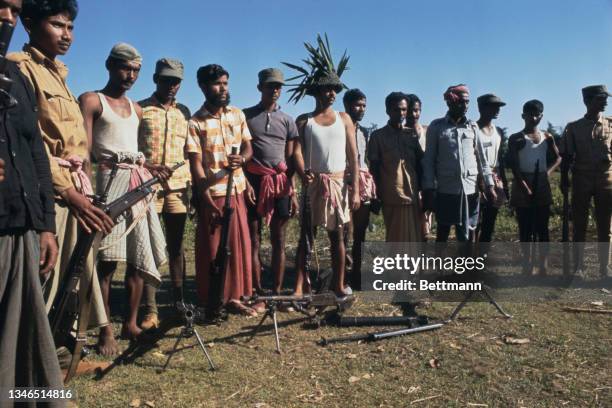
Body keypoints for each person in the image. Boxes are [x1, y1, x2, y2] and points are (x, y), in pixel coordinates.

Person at [9, 0, 113, 360]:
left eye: (70, 27)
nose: (66, 35)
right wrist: (70, 193)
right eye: (57, 25)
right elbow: (32, 145)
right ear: (29, 24)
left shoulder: (60, 74)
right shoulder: (18, 69)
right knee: (43, 278)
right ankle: (28, 364)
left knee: (70, 272)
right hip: (49, 194)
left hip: (73, 190)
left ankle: (58, 350)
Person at [80, 43, 166, 354]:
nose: (130, 75)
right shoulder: (92, 101)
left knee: (138, 258)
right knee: (106, 260)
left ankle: (130, 323)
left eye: (135, 71)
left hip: (136, 184)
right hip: (106, 184)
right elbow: (85, 152)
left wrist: (150, 168)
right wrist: (88, 193)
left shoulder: (137, 109)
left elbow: (135, 152)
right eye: (124, 68)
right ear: (109, 65)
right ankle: (104, 331)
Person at [0, 0, 63, 398]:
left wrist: (46, 225)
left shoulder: (13, 74)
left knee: (21, 337)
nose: (6, 17)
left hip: (20, 225)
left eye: (12, 8)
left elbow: (35, 153)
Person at [186, 64, 256, 316]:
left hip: (235, 189)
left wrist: (243, 160)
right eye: (217, 84)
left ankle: (236, 297)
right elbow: (196, 164)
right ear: (203, 87)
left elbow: (248, 148)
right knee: (213, 248)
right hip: (213, 194)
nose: (223, 88)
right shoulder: (195, 122)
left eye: (225, 83)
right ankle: (213, 300)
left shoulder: (237, 114)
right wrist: (204, 198)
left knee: (238, 245)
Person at [293, 72, 360, 297]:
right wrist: (303, 173)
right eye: (326, 89)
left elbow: (353, 156)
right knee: (306, 236)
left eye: (334, 90)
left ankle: (339, 285)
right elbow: (297, 152)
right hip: (313, 185)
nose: (331, 94)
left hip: (337, 184)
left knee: (337, 236)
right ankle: (299, 287)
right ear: (316, 92)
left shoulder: (344, 119)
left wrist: (356, 190)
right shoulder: (305, 120)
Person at [138, 58, 191, 329]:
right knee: (148, 247)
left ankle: (179, 303)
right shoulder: (141, 110)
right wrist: (148, 165)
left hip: (178, 188)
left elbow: (188, 151)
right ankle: (150, 309)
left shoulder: (184, 112)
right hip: (147, 187)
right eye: (166, 80)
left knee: (176, 246)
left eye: (176, 81)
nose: (171, 86)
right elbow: (131, 151)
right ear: (155, 79)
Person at [243, 68, 299, 295]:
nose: (275, 90)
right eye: (270, 86)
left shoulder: (288, 120)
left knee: (279, 238)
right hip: (253, 181)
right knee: (254, 238)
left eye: (278, 86)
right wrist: (245, 183)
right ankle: (256, 289)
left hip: (280, 184)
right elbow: (241, 150)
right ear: (260, 88)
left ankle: (276, 290)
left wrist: (291, 187)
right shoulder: (245, 116)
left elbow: (292, 156)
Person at [422, 84, 496, 243]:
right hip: (447, 189)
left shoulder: (472, 127)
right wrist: (428, 189)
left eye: (467, 102)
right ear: (450, 103)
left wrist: (489, 186)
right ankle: (439, 267)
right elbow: (428, 160)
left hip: (470, 189)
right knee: (443, 231)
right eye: (461, 102)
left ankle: (465, 266)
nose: (465, 106)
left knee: (468, 233)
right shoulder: (437, 127)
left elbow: (482, 160)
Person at [560, 85, 612, 279]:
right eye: (601, 98)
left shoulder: (611, 124)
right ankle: (578, 268)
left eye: (606, 98)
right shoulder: (573, 127)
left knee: (605, 227)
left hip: (606, 180)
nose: (605, 101)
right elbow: (566, 157)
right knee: (579, 225)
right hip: (581, 180)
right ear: (588, 101)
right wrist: (564, 180)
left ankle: (604, 268)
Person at [507, 100, 561, 275]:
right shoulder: (516, 138)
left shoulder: (547, 137)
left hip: (542, 182)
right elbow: (514, 167)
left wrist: (547, 173)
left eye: (537, 114)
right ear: (523, 116)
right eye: (530, 114)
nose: (534, 117)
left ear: (542, 116)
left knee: (542, 226)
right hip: (522, 181)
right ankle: (527, 264)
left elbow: (558, 158)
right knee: (525, 227)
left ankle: (543, 265)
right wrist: (524, 186)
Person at [369, 92, 423, 243]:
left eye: (404, 109)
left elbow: (420, 163)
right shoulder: (378, 136)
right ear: (388, 111)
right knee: (395, 239)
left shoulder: (411, 135)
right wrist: (375, 195)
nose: (401, 113)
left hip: (411, 194)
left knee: (413, 238)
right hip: (392, 195)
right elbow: (374, 168)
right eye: (396, 110)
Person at [342, 88, 374, 290]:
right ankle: (343, 273)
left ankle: (357, 274)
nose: (361, 109)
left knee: (360, 233)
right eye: (357, 105)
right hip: (344, 183)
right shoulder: (340, 128)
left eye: (364, 105)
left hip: (363, 184)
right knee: (344, 230)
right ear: (347, 105)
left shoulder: (363, 132)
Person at [475, 93, 508, 243]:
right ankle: (470, 258)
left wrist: (503, 184)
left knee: (489, 222)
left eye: (498, 107)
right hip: (476, 179)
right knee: (474, 222)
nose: (497, 110)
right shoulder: (473, 130)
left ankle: (482, 258)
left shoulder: (498, 131)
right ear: (481, 108)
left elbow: (500, 159)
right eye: (493, 106)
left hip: (495, 178)